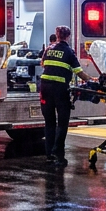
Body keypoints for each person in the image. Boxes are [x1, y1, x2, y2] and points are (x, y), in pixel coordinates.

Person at [39, 24, 82, 166]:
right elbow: (78, 71)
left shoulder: (48, 49)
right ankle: (59, 155)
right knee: (62, 123)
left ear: (56, 35)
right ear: (68, 37)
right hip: (60, 90)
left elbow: (42, 64)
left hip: (45, 88)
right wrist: (92, 80)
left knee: (49, 122)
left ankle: (49, 154)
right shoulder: (69, 51)